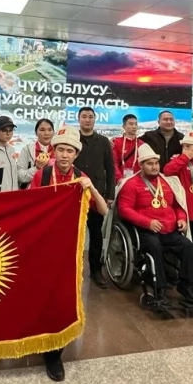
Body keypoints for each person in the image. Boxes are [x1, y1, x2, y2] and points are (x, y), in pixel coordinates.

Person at [29, 127, 107, 383]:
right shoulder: (42, 175)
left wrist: (92, 188)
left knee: (63, 298)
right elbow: (27, 206)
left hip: (69, 250)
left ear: (76, 155)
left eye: (69, 151)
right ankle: (36, 338)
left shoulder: (81, 178)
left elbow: (104, 211)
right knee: (38, 295)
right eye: (60, 149)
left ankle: (55, 353)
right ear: (54, 151)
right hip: (41, 246)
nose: (64, 155)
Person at [117, 143, 193, 309]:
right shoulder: (131, 184)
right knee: (154, 245)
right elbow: (124, 209)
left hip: (169, 230)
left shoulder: (166, 182)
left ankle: (186, 287)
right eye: (149, 164)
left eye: (156, 163)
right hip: (144, 231)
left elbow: (177, 206)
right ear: (141, 165)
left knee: (187, 245)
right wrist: (147, 222)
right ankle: (160, 289)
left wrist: (181, 218)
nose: (154, 167)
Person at [73, 107, 115, 290]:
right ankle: (72, 270)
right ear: (79, 119)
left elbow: (110, 168)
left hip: (97, 194)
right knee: (74, 235)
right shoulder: (73, 139)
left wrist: (109, 194)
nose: (87, 120)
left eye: (90, 117)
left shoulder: (103, 141)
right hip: (75, 195)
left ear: (95, 119)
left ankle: (96, 271)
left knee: (96, 234)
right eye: (84, 116)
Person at [163, 130, 193, 284]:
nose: (190, 149)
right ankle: (181, 271)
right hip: (184, 212)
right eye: (186, 146)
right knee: (184, 244)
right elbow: (167, 171)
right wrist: (184, 157)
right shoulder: (178, 161)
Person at [17, 118, 54, 188]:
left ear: (53, 132)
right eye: (42, 130)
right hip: (33, 191)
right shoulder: (27, 150)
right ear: (36, 133)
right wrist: (36, 168)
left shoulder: (58, 149)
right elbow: (19, 175)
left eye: (50, 130)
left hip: (55, 191)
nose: (46, 133)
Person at [112, 114, 144, 182]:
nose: (134, 126)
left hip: (138, 181)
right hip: (119, 181)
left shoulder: (141, 144)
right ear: (124, 126)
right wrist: (119, 178)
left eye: (136, 124)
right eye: (131, 124)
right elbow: (113, 163)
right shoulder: (116, 143)